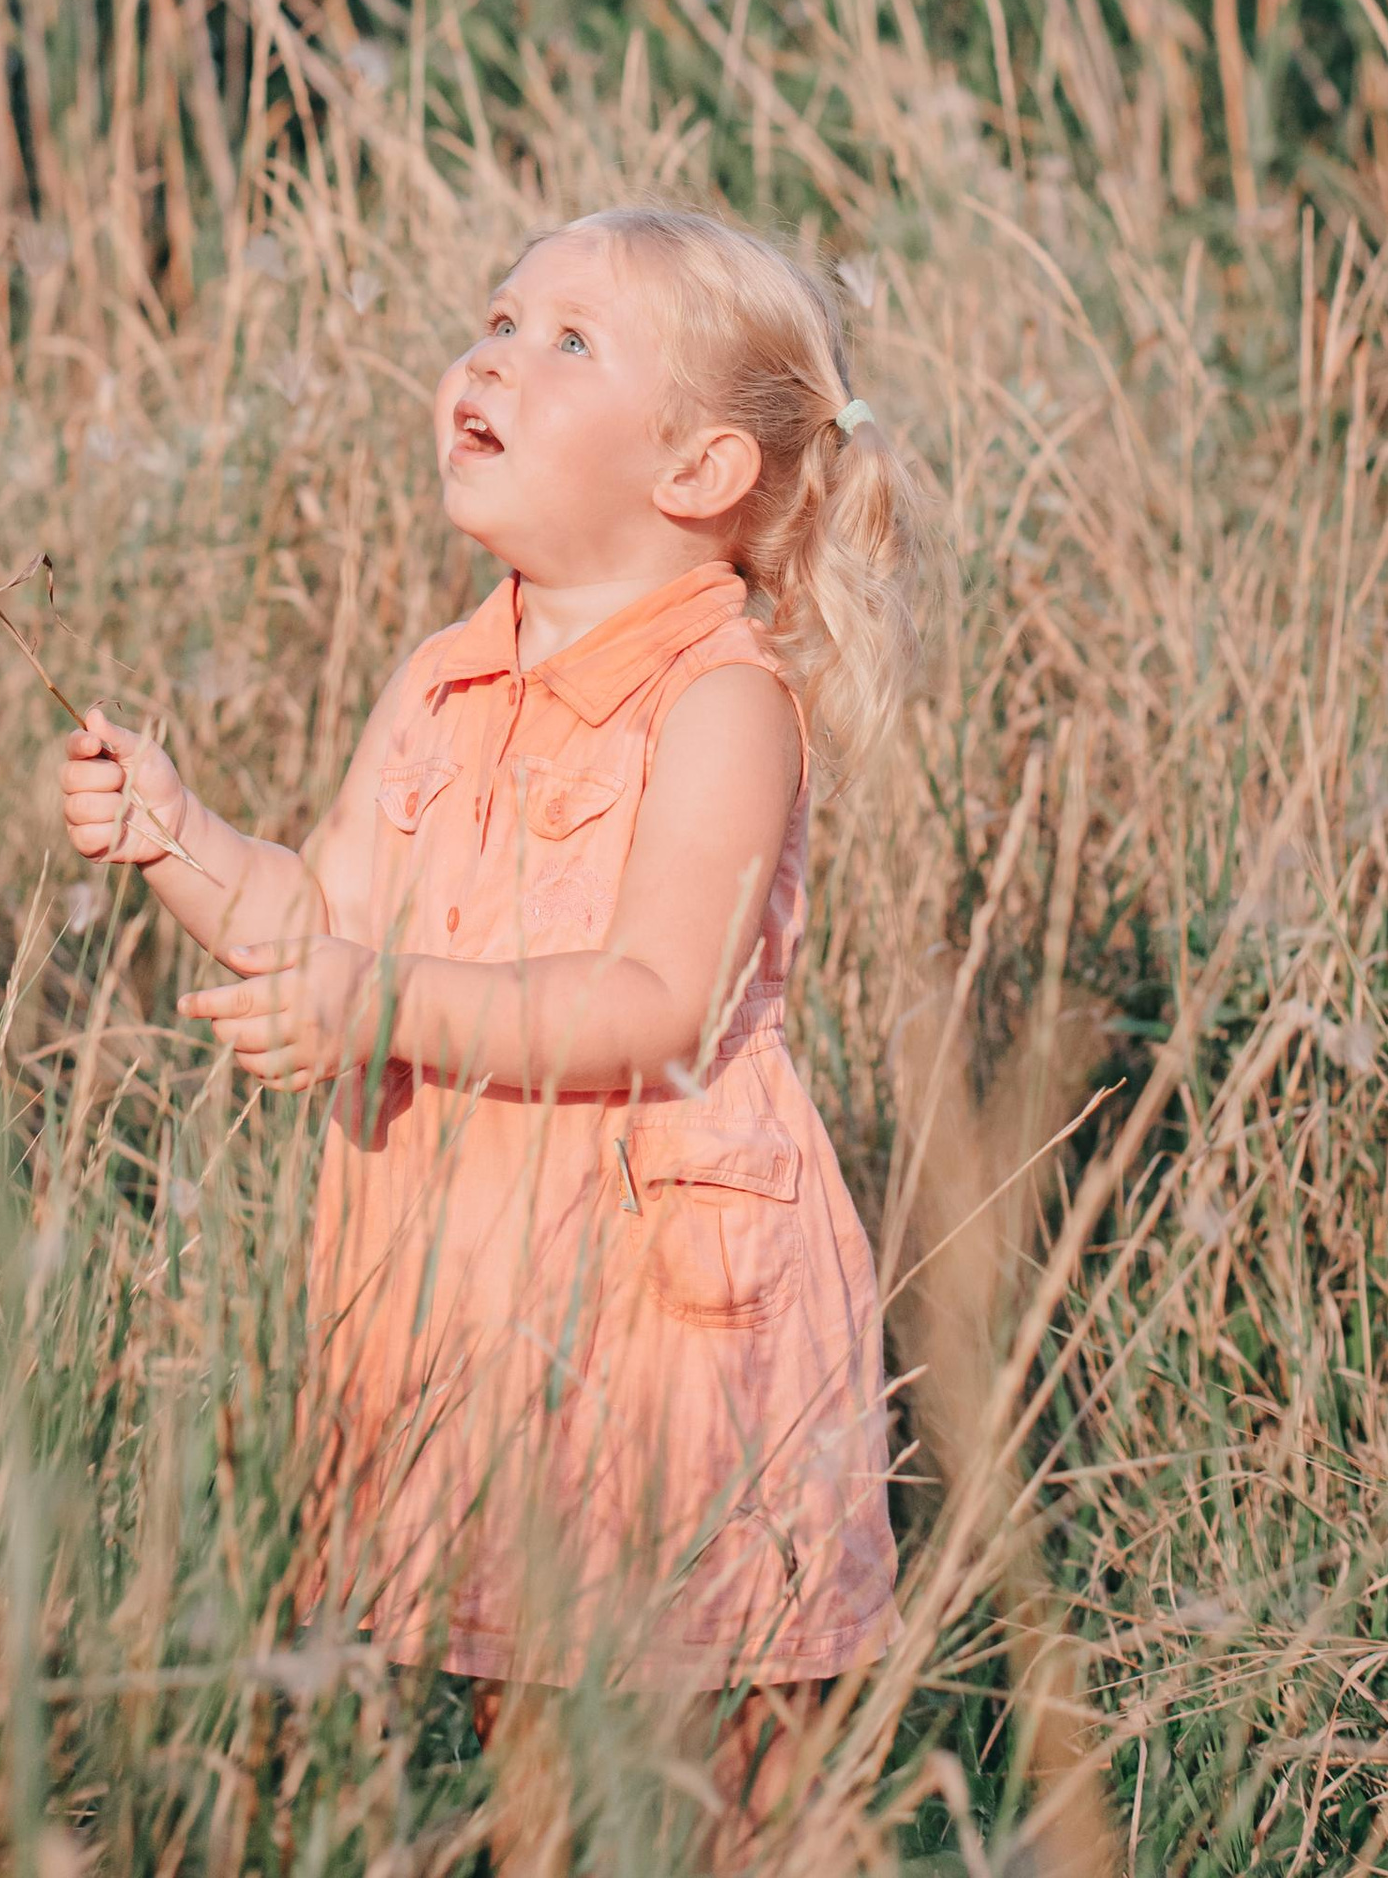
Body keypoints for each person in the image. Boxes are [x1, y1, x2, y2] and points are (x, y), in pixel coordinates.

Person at [57, 203, 926, 1829]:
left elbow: (661, 1000)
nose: (492, 353)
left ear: (699, 473)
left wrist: (375, 1002)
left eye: (568, 340)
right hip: (471, 1289)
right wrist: (173, 833)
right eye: (496, 317)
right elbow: (323, 925)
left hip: (667, 1318)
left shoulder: (724, 702)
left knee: (725, 1769)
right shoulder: (444, 679)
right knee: (536, 1752)